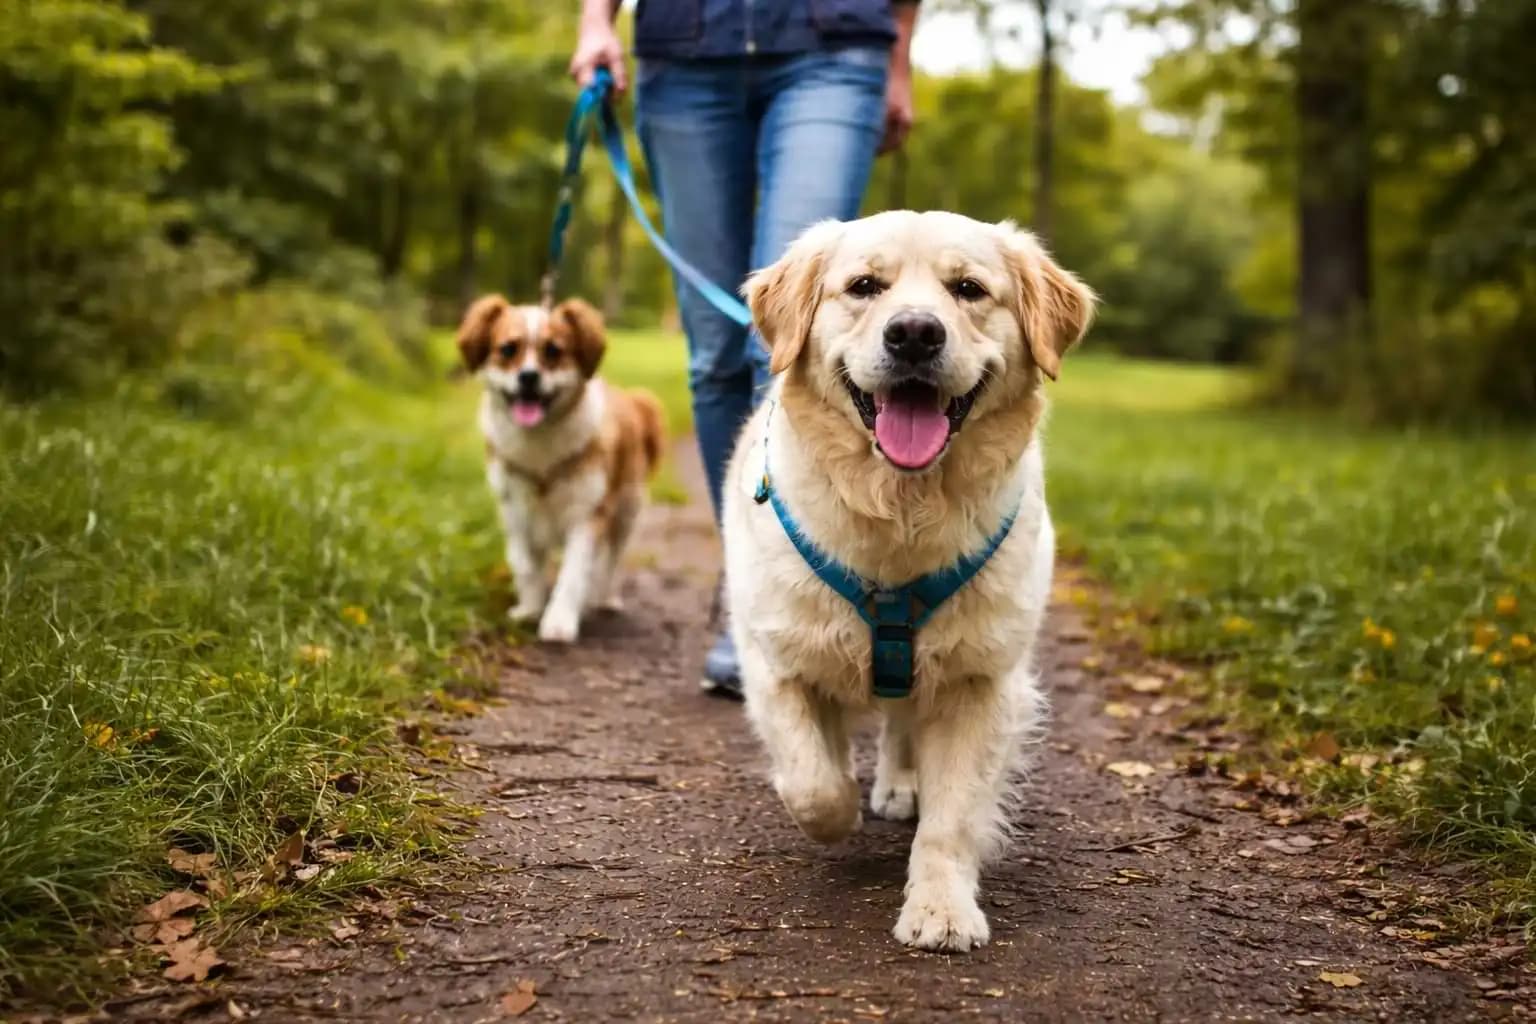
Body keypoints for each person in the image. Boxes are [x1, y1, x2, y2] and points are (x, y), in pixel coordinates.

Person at [570, 0, 918, 697]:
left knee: (785, 342)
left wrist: (899, 57)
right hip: (686, 50)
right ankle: (755, 591)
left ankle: (819, 582)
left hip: (832, 44)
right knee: (716, 354)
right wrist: (595, 22)